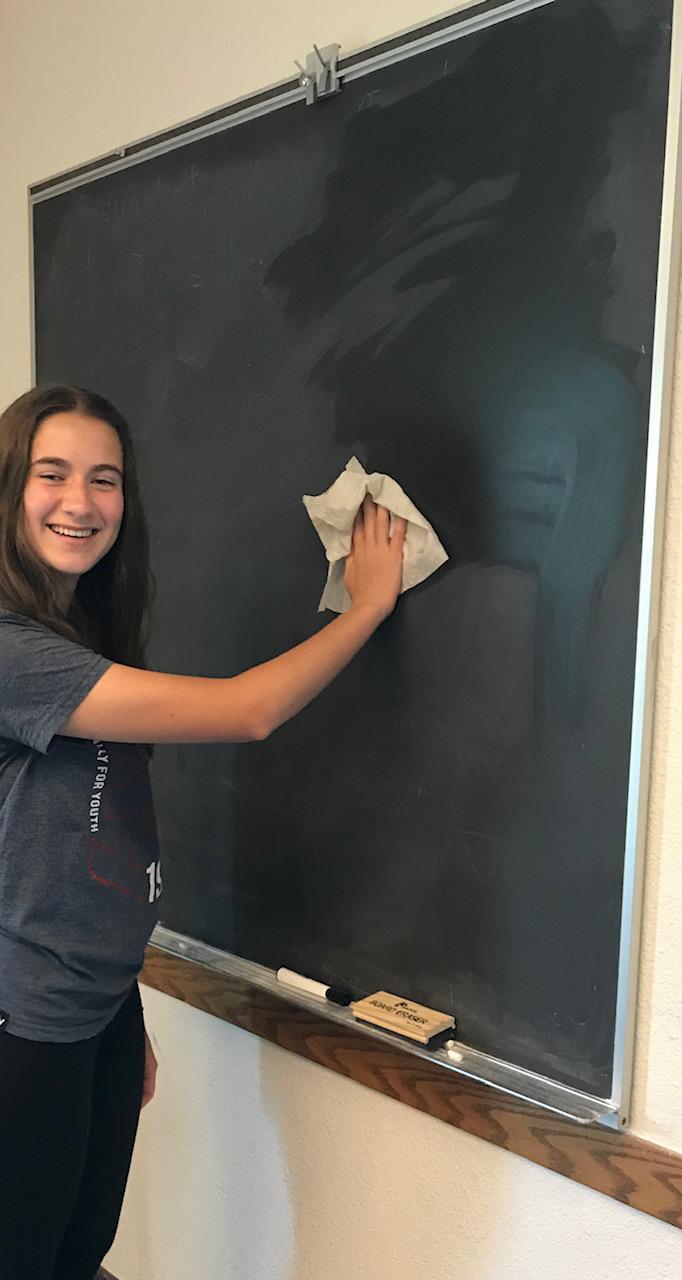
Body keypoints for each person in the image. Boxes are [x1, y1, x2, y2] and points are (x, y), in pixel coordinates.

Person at [0, 383, 406, 1280]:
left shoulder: (75, 634)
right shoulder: (12, 652)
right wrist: (367, 606)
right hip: (22, 1017)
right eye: (51, 474)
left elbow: (89, 850)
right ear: (9, 489)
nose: (80, 501)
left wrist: (124, 1008)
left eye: (105, 479)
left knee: (77, 1253)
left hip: (94, 1005)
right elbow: (245, 711)